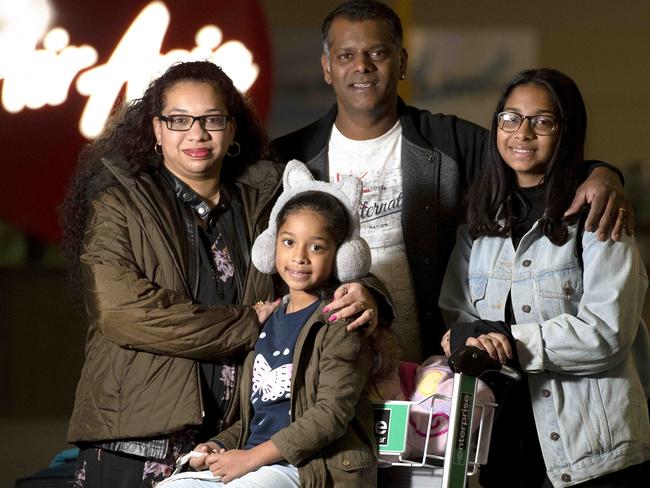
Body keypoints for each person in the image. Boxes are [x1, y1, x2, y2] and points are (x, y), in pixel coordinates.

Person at [60, 61, 381, 488]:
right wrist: (248, 324)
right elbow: (122, 313)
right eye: (178, 120)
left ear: (232, 129)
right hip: (135, 439)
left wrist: (368, 293)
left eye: (212, 119)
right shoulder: (119, 205)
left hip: (239, 442)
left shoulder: (267, 202)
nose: (196, 133)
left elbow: (326, 257)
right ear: (156, 130)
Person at [271, 0, 632, 362]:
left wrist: (601, 173)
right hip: (332, 364)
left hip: (436, 367)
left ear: (402, 62)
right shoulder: (290, 156)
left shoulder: (451, 142)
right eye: (345, 55)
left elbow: (527, 157)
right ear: (327, 67)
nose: (361, 66)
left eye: (377, 52)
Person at [439, 68, 650, 487]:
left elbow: (606, 333)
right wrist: (469, 336)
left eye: (543, 121)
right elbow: (457, 316)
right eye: (510, 118)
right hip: (499, 445)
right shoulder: (480, 223)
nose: (523, 133)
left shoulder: (601, 215)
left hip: (593, 451)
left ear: (566, 130)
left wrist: (506, 341)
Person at [163, 160, 381, 487]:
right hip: (256, 461)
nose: (299, 257)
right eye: (289, 242)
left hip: (309, 466)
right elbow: (260, 416)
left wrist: (250, 458)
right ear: (272, 245)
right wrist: (219, 445)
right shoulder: (267, 322)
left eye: (317, 247)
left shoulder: (338, 322)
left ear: (340, 255)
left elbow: (329, 417)